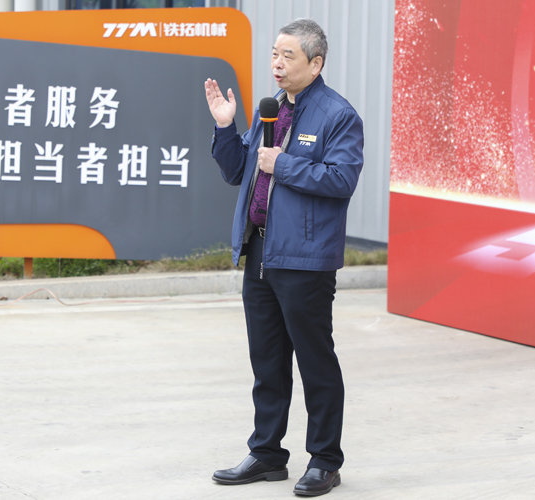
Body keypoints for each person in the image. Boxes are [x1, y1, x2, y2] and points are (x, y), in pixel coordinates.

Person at [204, 18, 363, 497]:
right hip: (260, 251)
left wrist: (285, 164)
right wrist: (226, 127)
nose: (276, 63)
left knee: (315, 361)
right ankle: (267, 454)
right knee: (267, 361)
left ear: (315, 64)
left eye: (287, 55)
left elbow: (342, 180)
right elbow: (239, 171)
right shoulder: (270, 111)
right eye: (274, 54)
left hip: (304, 259)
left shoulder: (339, 116)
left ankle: (324, 461)